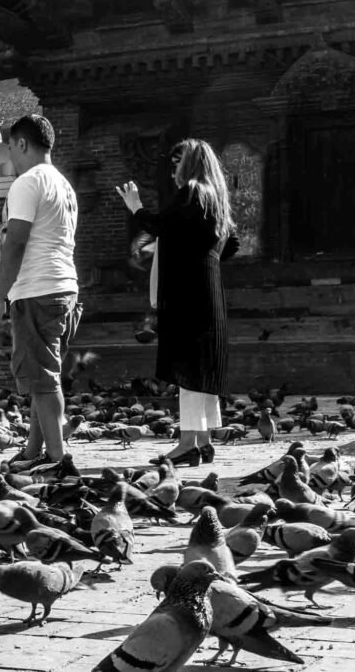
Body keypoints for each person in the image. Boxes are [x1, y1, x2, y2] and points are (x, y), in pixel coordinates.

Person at [116, 139, 239, 467]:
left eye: (178, 161)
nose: (174, 168)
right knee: (201, 365)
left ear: (192, 163)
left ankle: (187, 444)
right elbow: (232, 244)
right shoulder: (216, 197)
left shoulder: (193, 191)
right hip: (208, 289)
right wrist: (202, 254)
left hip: (188, 293)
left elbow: (162, 225)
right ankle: (203, 439)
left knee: (187, 365)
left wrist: (135, 207)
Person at [0, 114, 82, 464]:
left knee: (42, 379)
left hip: (37, 290)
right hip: (64, 288)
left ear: (22, 144)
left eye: (10, 147)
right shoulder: (64, 186)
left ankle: (59, 460)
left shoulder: (27, 183)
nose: (10, 154)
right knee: (46, 374)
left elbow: (15, 243)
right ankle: (34, 450)